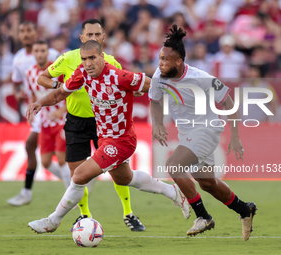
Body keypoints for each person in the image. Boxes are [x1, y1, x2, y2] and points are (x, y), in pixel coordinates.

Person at [26, 40, 190, 234]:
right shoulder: (82, 73)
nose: (88, 63)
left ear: (102, 57)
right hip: (104, 138)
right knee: (124, 178)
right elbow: (61, 93)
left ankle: (53, 221)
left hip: (121, 141)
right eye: (84, 59)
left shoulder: (120, 76)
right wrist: (40, 103)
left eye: (92, 58)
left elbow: (155, 86)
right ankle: (173, 192)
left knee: (78, 175)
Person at [149, 24, 257, 241]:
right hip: (187, 131)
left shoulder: (201, 78)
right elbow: (155, 100)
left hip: (207, 129)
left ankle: (203, 216)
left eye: (165, 59)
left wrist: (234, 136)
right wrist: (158, 124)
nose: (160, 63)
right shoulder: (159, 76)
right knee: (207, 183)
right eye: (160, 58)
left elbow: (228, 101)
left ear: (179, 62)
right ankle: (245, 209)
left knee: (173, 166)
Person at [37, 19, 145, 231]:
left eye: (97, 35)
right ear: (81, 38)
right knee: (77, 172)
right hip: (76, 122)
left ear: (103, 38)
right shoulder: (68, 59)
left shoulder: (112, 62)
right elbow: (43, 78)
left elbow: (127, 87)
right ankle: (84, 215)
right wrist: (60, 85)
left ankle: (128, 213)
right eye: (89, 35)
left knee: (118, 171)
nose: (93, 38)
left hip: (105, 123)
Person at [7, 22, 59, 206]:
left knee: (41, 148)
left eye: (29, 30)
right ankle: (28, 191)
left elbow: (64, 78)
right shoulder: (18, 59)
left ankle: (74, 182)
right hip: (39, 110)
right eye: (22, 31)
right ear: (19, 35)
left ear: (35, 32)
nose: (25, 34)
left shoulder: (51, 54)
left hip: (56, 109)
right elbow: (17, 82)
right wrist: (18, 94)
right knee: (31, 147)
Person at [26, 40, 70, 188]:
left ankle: (71, 194)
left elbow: (70, 91)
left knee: (61, 157)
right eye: (37, 51)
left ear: (47, 52)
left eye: (42, 51)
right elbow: (32, 93)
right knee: (45, 162)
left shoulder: (56, 70)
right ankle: (73, 182)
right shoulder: (30, 73)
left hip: (62, 120)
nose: (40, 54)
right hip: (45, 121)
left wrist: (61, 110)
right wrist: (31, 111)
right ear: (33, 53)